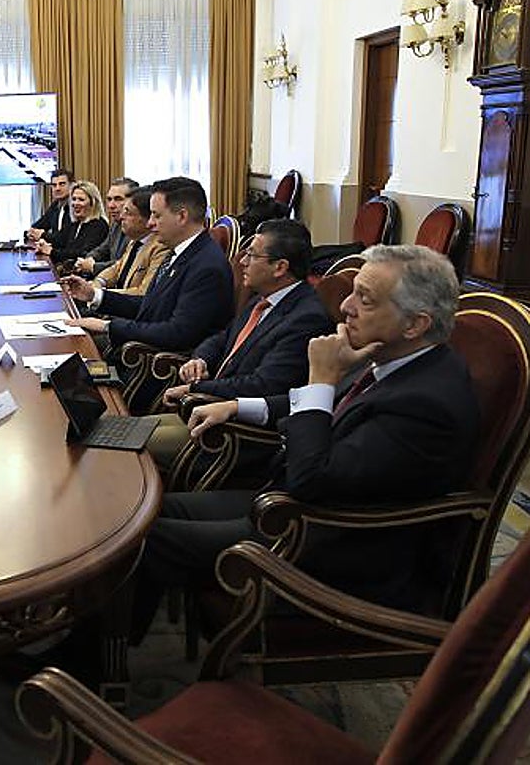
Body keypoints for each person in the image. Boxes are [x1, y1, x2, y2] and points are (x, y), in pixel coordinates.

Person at [130, 244, 480, 636]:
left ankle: (105, 661)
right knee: (151, 509)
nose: (345, 306)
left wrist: (321, 377)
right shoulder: (391, 355)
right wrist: (238, 406)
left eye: (365, 299)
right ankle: (123, 640)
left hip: (333, 542)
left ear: (415, 324)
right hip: (292, 507)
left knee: (141, 540)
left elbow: (310, 478)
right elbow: (330, 406)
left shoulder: (427, 403)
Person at [142, 219, 333, 466]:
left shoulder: (306, 319)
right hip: (207, 409)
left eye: (252, 255)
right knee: (119, 432)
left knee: (127, 445)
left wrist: (196, 388)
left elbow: (261, 385)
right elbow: (223, 337)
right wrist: (201, 359)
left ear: (280, 267)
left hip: (234, 433)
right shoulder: (264, 298)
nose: (242, 261)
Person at [61, 177, 234, 352]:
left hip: (157, 357)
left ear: (182, 216)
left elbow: (177, 333)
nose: (150, 223)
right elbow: (150, 304)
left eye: (156, 215)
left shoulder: (207, 266)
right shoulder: (179, 251)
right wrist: (94, 295)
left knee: (71, 345)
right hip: (142, 341)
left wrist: (108, 326)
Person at [92, 187, 170, 295]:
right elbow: (116, 269)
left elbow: (143, 293)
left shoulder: (160, 248)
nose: (121, 217)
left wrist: (99, 293)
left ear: (147, 219)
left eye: (128, 213)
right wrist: (99, 282)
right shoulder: (135, 241)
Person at [34, 180, 110, 265]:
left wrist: (51, 251)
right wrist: (43, 244)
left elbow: (82, 253)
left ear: (93, 203)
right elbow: (59, 240)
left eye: (81, 200)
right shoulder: (75, 223)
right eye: (74, 199)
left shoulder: (99, 225)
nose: (75, 203)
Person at [74, 177, 137, 277]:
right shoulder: (116, 224)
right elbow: (103, 249)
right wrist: (88, 259)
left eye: (118, 199)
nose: (111, 205)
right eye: (109, 199)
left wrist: (93, 266)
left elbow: (125, 264)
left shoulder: (138, 228)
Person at [26, 168, 73, 242]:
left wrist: (42, 234)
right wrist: (30, 233)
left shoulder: (75, 207)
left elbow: (63, 238)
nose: (57, 188)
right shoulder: (55, 206)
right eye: (54, 185)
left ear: (71, 185)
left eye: (62, 184)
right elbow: (38, 226)